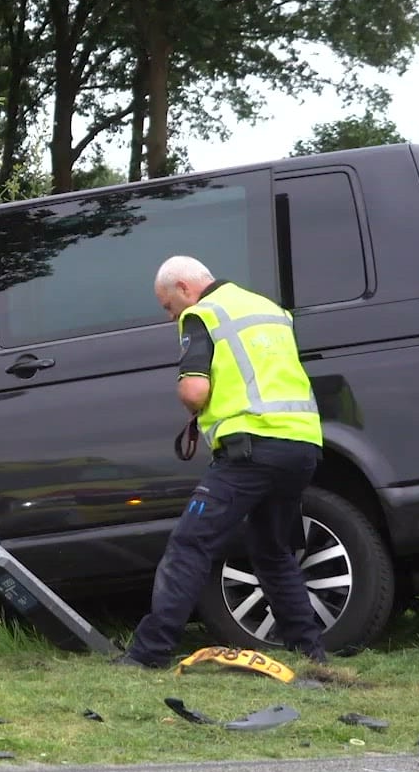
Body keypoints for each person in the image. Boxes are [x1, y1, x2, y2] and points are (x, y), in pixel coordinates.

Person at [115, 255, 328, 669]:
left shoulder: (201, 315)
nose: (170, 315)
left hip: (250, 450)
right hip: (302, 444)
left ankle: (149, 653)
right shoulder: (269, 309)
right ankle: (311, 652)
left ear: (183, 288)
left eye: (166, 305)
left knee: (190, 543)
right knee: (273, 550)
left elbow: (195, 391)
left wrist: (191, 403)